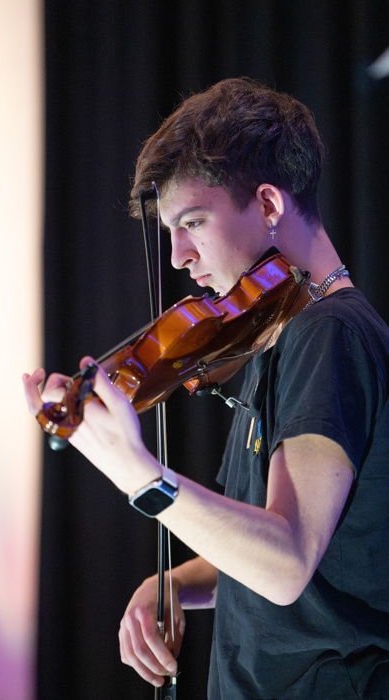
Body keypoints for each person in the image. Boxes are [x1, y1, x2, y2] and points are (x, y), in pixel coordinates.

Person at [23, 78, 389, 698]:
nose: (178, 256)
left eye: (192, 221)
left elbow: (286, 562)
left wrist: (139, 474)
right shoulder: (279, 335)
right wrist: (174, 584)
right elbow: (261, 545)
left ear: (268, 204)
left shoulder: (330, 333)